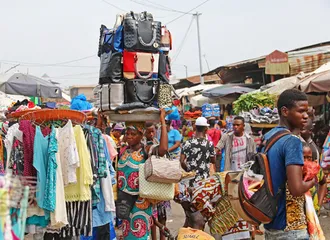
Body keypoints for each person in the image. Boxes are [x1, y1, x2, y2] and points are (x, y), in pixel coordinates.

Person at [263, 89, 316, 240]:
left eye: (307, 111)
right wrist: (313, 181)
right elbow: (296, 189)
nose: (306, 116)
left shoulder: (269, 137)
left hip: (271, 224)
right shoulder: (292, 141)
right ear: (285, 111)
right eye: (301, 111)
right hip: (290, 228)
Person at [118, 110, 168, 240]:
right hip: (125, 205)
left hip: (141, 204)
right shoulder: (124, 151)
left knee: (140, 236)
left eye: (133, 134)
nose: (129, 136)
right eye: (127, 133)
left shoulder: (146, 150)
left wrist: (162, 121)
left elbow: (163, 150)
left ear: (141, 135)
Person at [215, 116, 257, 239]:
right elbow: (218, 147)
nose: (235, 127)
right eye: (234, 125)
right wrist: (215, 151)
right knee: (230, 201)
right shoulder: (227, 137)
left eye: (238, 125)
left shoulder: (250, 140)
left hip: (245, 176)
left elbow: (254, 159)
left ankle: (248, 229)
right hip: (231, 174)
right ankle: (229, 229)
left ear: (243, 126)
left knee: (246, 202)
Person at [180, 117, 216, 229]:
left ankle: (189, 231)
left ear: (195, 128)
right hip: (203, 183)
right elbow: (213, 160)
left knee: (190, 210)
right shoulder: (209, 144)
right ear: (206, 129)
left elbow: (181, 161)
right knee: (201, 210)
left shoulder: (187, 143)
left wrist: (188, 171)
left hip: (189, 182)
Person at [145, 123, 170, 240]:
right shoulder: (146, 146)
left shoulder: (155, 141)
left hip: (160, 182)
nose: (150, 134)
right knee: (153, 216)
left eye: (152, 131)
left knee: (162, 215)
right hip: (152, 184)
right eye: (148, 132)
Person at [303, 143, 327, 215]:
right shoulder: (294, 171)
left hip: (313, 212)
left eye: (309, 157)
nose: (306, 161)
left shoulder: (316, 169)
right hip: (298, 216)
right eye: (304, 157)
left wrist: (319, 205)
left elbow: (323, 183)